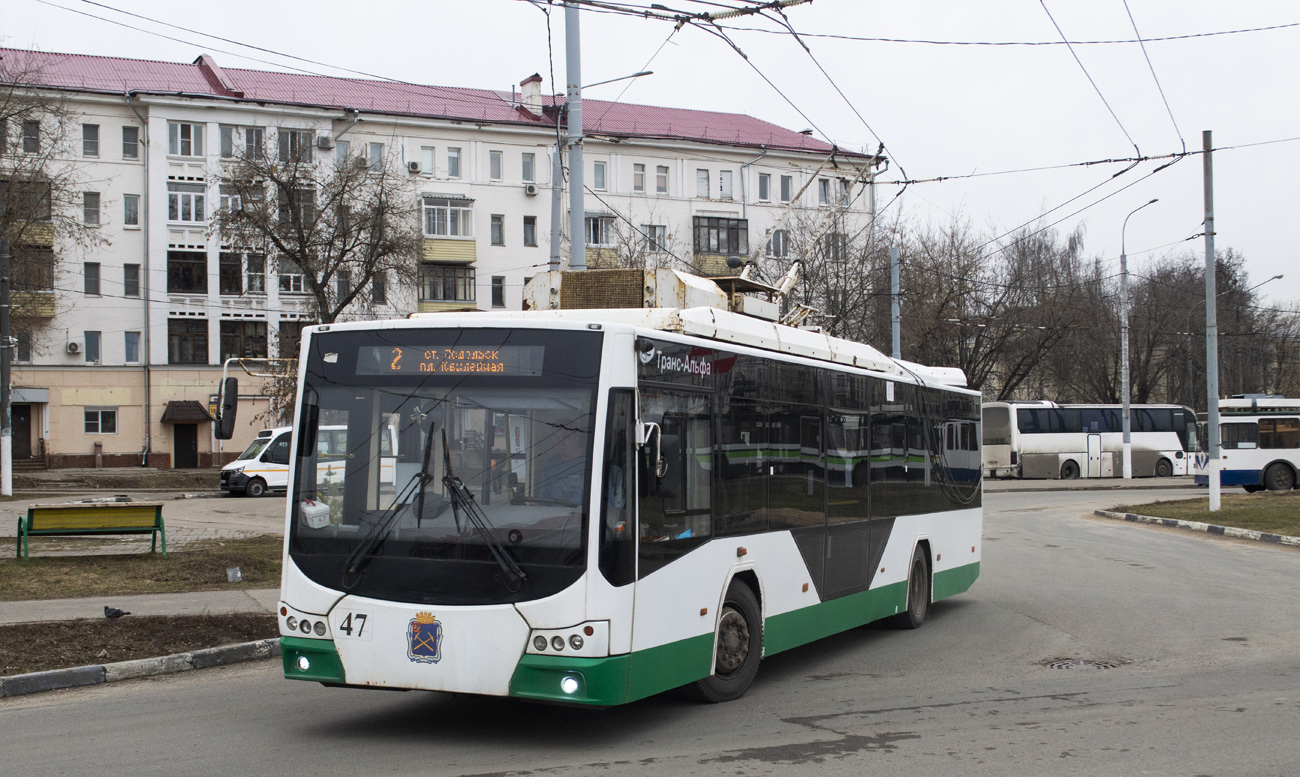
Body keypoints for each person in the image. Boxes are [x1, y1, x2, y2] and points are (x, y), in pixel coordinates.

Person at [537, 429, 586, 504]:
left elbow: (606, 501)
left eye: (566, 437)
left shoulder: (594, 461)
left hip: (584, 515)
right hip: (554, 514)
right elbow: (543, 497)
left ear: (577, 436)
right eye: (556, 438)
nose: (561, 442)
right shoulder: (550, 464)